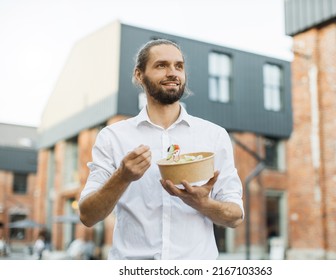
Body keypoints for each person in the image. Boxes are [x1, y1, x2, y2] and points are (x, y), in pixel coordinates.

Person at [79, 39, 244, 260]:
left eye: (179, 66)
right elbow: (88, 216)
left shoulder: (213, 136)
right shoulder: (113, 137)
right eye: (161, 65)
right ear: (139, 75)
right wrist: (122, 177)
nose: (173, 72)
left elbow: (235, 216)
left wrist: (202, 203)